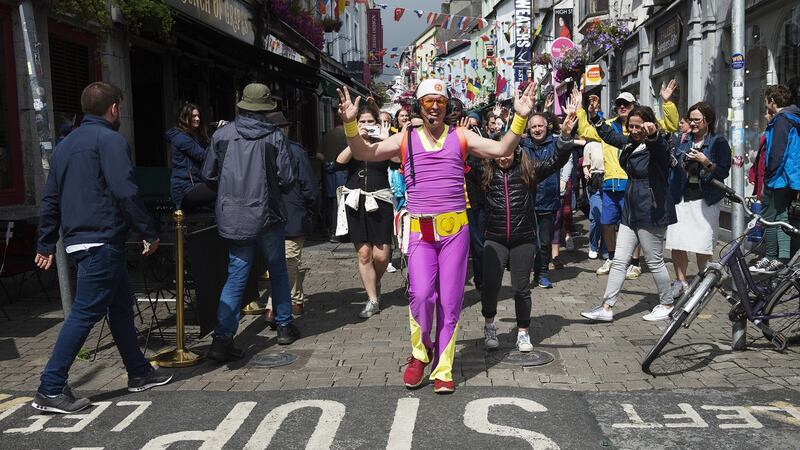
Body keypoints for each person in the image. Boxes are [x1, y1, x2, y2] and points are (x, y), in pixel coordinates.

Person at [336, 78, 537, 394]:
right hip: (420, 231)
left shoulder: (460, 136)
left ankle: (443, 367)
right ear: (418, 106)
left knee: (451, 301)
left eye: (439, 102)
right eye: (428, 102)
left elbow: (501, 148)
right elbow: (364, 150)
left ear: (447, 108)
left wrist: (521, 117)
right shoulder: (405, 138)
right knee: (421, 295)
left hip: (455, 231)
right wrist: (349, 123)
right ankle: (420, 353)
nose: (433, 107)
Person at [33, 81, 171, 413]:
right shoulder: (110, 140)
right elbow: (125, 190)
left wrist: (46, 242)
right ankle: (50, 387)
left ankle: (138, 373)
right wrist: (148, 231)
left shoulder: (64, 147)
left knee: (121, 307)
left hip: (80, 243)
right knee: (85, 314)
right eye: (119, 107)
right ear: (113, 108)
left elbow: (50, 199)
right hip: (102, 240)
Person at [202, 83, 299, 362]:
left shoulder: (221, 135)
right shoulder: (274, 136)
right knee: (277, 270)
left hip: (233, 214)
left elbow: (208, 174)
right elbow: (288, 178)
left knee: (237, 274)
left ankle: (222, 339)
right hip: (267, 213)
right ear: (266, 109)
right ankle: (283, 325)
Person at [480, 108, 577, 353]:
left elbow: (556, 160)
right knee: (490, 285)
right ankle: (489, 325)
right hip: (495, 238)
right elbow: (461, 164)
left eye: (508, 152)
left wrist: (565, 137)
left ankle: (523, 332)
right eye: (499, 153)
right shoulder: (485, 173)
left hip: (523, 238)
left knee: (521, 287)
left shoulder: (528, 170)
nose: (503, 157)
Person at [580, 106, 677, 322]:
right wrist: (594, 115)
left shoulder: (657, 144)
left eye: (638, 126)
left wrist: (652, 135)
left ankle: (667, 303)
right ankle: (606, 307)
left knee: (654, 261)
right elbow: (609, 135)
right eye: (630, 126)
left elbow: (660, 151)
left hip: (652, 208)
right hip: (631, 209)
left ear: (649, 124)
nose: (633, 130)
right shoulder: (631, 144)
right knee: (619, 260)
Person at [575, 83, 679, 279]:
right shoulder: (623, 134)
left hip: (644, 194)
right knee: (609, 225)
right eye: (619, 104)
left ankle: (637, 264)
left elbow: (671, 127)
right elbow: (600, 133)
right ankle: (609, 296)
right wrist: (588, 113)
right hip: (613, 184)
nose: (622, 107)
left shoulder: (651, 136)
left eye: (627, 104)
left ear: (635, 107)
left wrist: (667, 103)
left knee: (653, 256)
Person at [334, 103, 395, 319]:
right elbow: (339, 162)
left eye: (371, 122)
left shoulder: (386, 142)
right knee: (364, 253)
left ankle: (375, 281)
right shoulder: (352, 141)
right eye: (363, 122)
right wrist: (355, 140)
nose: (367, 126)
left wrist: (385, 138)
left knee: (382, 254)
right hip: (355, 200)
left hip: (381, 199)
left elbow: (397, 161)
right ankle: (372, 299)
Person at [665, 102, 731, 298]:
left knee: (702, 244)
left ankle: (704, 282)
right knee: (677, 242)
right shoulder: (683, 140)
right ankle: (681, 281)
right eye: (690, 119)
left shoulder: (718, 142)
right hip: (681, 196)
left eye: (696, 120)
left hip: (705, 198)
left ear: (707, 120)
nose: (692, 124)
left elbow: (722, 171)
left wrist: (705, 161)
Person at [266, 111, 320, 317]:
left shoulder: (294, 151)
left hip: (286, 214)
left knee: (287, 260)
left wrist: (312, 209)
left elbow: (308, 185)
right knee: (287, 260)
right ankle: (286, 302)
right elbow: (310, 186)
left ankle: (285, 303)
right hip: (281, 214)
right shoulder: (289, 151)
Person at [750, 85, 800, 272]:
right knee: (781, 218)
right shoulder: (793, 118)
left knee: (768, 219)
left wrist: (768, 179)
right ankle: (782, 259)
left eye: (766, 101)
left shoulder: (781, 120)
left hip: (778, 178)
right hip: (789, 178)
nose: (765, 105)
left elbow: (777, 153)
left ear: (773, 101)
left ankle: (771, 257)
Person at [521, 114, 564, 288]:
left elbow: (567, 147)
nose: (537, 130)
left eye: (540, 126)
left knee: (545, 241)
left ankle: (542, 272)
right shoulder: (522, 145)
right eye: (534, 127)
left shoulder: (555, 143)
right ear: (528, 130)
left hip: (548, 200)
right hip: (527, 200)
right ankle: (525, 273)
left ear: (547, 127)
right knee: (528, 242)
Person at [167, 103, 216, 210]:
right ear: (185, 118)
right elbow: (204, 157)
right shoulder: (181, 138)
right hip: (185, 189)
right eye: (193, 116)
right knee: (221, 187)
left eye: (198, 116)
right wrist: (219, 134)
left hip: (195, 185)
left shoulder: (194, 137)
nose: (198, 119)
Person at [320, 117, 349, 242]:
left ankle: (330, 231)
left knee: (331, 202)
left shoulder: (327, 135)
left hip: (328, 173)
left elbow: (319, 155)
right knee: (342, 202)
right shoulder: (348, 135)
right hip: (342, 172)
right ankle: (340, 232)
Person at [582, 140, 607, 259]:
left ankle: (605, 247)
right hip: (595, 180)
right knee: (596, 217)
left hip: (610, 179)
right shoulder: (590, 145)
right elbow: (585, 165)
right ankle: (593, 245)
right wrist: (587, 173)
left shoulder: (612, 142)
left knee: (608, 218)